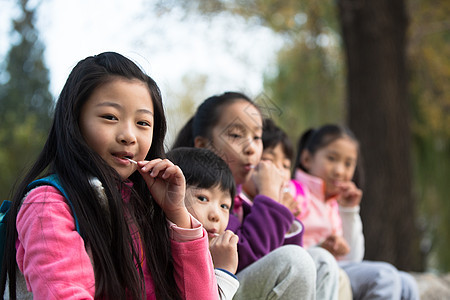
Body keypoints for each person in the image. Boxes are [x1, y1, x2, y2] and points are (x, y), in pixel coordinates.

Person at [0, 52, 219, 300]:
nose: (128, 135)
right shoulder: (47, 204)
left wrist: (177, 213)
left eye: (143, 123)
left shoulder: (146, 205)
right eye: (110, 117)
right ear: (74, 121)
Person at [173, 91, 317, 299]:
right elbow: (245, 257)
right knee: (296, 262)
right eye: (236, 135)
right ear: (204, 145)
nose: (251, 148)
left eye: (257, 137)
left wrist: (281, 211)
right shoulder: (192, 197)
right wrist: (269, 199)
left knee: (319, 259)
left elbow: (290, 278)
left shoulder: (243, 202)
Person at [293, 124, 420, 300]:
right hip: (311, 269)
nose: (339, 171)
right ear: (307, 159)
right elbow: (284, 249)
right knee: (384, 276)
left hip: (339, 271)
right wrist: (320, 247)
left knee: (407, 283)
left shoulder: (334, 204)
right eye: (331, 158)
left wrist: (349, 210)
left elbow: (353, 259)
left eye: (348, 164)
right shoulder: (294, 193)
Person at [241, 118, 352, 300]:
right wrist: (273, 206)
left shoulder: (329, 202)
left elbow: (293, 250)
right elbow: (262, 255)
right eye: (269, 160)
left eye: (285, 166)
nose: (278, 171)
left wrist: (285, 218)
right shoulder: (240, 202)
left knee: (334, 269)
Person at [166, 147, 240, 300]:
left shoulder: (215, 252)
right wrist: (223, 272)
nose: (216, 215)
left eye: (224, 206)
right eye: (203, 198)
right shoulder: (162, 251)